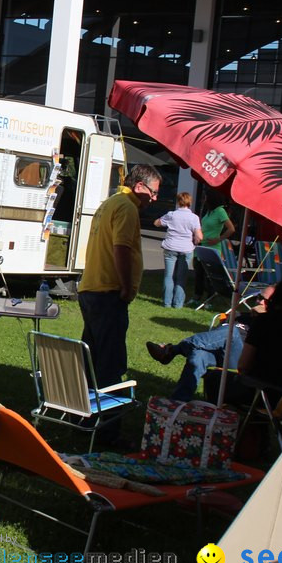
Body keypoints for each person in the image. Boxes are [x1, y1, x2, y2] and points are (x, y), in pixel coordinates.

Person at [78, 164, 161, 443]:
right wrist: (126, 287)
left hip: (91, 289)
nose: (155, 198)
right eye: (154, 192)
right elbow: (121, 248)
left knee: (92, 360)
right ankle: (106, 430)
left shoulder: (109, 203)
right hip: (108, 292)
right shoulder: (126, 207)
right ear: (140, 187)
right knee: (110, 365)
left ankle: (86, 417)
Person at [146, 272, 282, 403]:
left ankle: (174, 350)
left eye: (266, 300)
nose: (260, 303)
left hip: (250, 375)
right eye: (259, 298)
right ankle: (178, 402)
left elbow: (243, 365)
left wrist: (261, 316)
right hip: (224, 353)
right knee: (198, 355)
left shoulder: (266, 322)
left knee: (233, 333)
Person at [154, 192, 203, 308]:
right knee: (181, 277)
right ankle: (178, 304)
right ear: (189, 203)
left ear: (178, 202)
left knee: (169, 275)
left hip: (170, 246)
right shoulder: (194, 218)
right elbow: (199, 236)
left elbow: (156, 223)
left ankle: (166, 302)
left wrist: (162, 220)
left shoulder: (171, 215)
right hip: (186, 249)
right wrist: (195, 241)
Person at [192, 190, 237, 304]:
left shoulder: (220, 211)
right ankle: (197, 297)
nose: (203, 200)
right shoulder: (209, 212)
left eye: (205, 197)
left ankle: (209, 300)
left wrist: (219, 238)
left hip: (212, 247)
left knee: (209, 276)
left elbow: (231, 228)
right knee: (199, 273)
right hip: (202, 245)